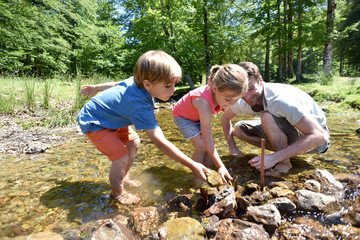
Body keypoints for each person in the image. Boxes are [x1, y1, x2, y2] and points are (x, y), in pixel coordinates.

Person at [77, 50, 210, 205]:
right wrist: (192, 164)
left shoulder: (138, 82)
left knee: (133, 142)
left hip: (112, 118)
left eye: (175, 84)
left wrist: (97, 87)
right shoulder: (140, 105)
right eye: (168, 86)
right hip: (95, 121)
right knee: (120, 157)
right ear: (147, 84)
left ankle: (124, 177)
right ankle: (118, 193)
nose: (173, 90)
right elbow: (160, 142)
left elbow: (117, 84)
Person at [221, 62, 330, 176]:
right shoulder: (242, 99)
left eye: (251, 88)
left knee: (267, 117)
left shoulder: (279, 100)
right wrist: (232, 149)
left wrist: (275, 157)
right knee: (239, 129)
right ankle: (285, 153)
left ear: (260, 81)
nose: (247, 96)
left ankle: (284, 164)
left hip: (318, 141)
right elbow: (225, 119)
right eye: (243, 90)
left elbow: (320, 136)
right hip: (293, 130)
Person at [172, 64, 248, 183]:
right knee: (202, 146)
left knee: (209, 147)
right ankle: (196, 177)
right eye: (228, 100)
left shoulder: (222, 95)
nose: (232, 104)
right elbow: (207, 139)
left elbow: (210, 141)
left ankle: (208, 172)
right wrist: (220, 166)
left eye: (236, 100)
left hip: (196, 115)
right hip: (183, 117)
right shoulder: (203, 103)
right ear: (215, 88)